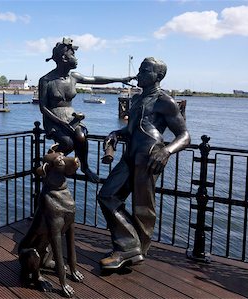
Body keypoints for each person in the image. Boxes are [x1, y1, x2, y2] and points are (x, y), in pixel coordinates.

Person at [97, 57, 190, 270]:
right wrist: (116, 133)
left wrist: (166, 151)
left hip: (149, 156)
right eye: (139, 69)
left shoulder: (164, 101)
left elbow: (184, 136)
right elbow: (132, 130)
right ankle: (130, 246)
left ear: (158, 76)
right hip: (130, 155)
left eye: (144, 70)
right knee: (107, 196)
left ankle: (129, 250)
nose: (139, 73)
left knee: (143, 207)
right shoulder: (137, 99)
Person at [39, 38, 134, 183]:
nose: (76, 59)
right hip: (54, 119)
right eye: (73, 56)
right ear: (64, 58)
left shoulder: (74, 77)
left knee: (81, 136)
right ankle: (50, 162)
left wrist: (120, 79)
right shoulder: (46, 80)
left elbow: (95, 79)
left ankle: (85, 167)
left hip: (71, 117)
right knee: (68, 143)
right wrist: (61, 123)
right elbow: (43, 107)